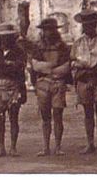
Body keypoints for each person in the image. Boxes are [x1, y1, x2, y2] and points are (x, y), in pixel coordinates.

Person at [28, 17, 70, 155]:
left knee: (58, 114)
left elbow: (66, 66)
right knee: (45, 116)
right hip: (42, 83)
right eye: (46, 30)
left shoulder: (63, 46)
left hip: (58, 82)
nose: (48, 32)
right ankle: (46, 147)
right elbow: (35, 65)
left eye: (51, 30)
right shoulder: (37, 46)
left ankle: (58, 147)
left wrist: (46, 68)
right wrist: (52, 67)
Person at [71, 9, 97, 153]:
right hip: (84, 79)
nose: (88, 27)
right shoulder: (78, 42)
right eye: (85, 25)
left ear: (95, 24)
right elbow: (73, 62)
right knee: (88, 111)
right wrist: (81, 68)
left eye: (91, 24)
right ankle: (90, 143)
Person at [0, 24, 27, 156]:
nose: (4, 40)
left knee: (14, 118)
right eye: (2, 37)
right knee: (0, 119)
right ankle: (1, 147)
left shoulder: (19, 52)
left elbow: (18, 69)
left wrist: (1, 64)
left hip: (14, 87)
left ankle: (13, 147)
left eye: (7, 37)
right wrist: (8, 64)